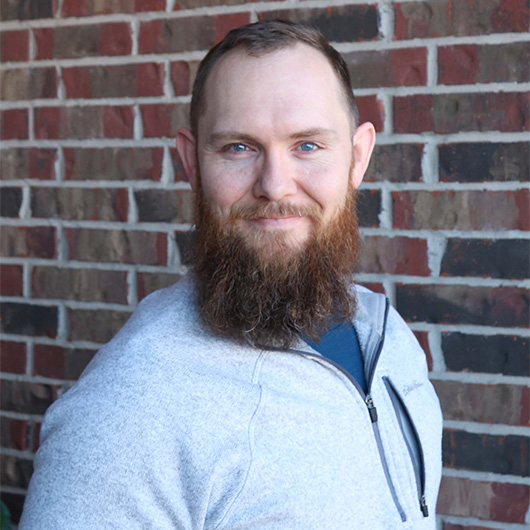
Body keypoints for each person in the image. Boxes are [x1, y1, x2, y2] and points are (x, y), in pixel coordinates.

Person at [20, 21, 442, 529]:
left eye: (307, 145)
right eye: (239, 148)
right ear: (192, 163)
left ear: (357, 158)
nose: (274, 185)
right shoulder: (129, 410)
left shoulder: (387, 336)